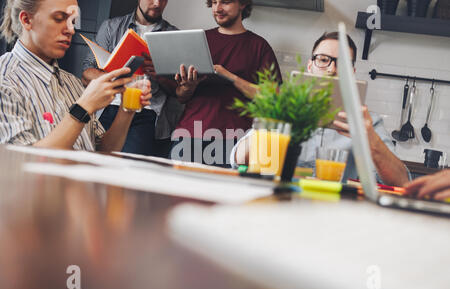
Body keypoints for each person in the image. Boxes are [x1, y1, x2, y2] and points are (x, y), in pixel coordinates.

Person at [232, 32, 410, 187]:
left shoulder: (367, 122)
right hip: (279, 202)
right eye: (323, 60)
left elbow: (402, 181)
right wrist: (272, 125)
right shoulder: (283, 110)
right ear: (310, 66)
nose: (332, 69)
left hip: (337, 211)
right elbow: (237, 159)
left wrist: (371, 140)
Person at [0, 0, 151, 151]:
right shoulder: (5, 81)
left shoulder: (72, 83)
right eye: (59, 18)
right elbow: (21, 162)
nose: (71, 30)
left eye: (73, 21)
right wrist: (83, 108)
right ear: (27, 20)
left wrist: (126, 110)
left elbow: (104, 150)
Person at [171, 0, 281, 167]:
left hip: (235, 141)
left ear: (242, 4)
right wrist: (187, 87)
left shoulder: (259, 46)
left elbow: (273, 99)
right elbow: (180, 97)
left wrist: (229, 76)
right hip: (189, 133)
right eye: (214, 2)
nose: (218, 8)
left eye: (225, 2)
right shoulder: (199, 40)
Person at [82, 0, 182, 158]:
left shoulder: (174, 36)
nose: (157, 3)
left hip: (147, 111)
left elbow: (178, 91)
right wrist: (115, 79)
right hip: (108, 107)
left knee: (129, 166)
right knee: (95, 161)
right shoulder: (111, 27)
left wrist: (159, 73)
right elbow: (86, 74)